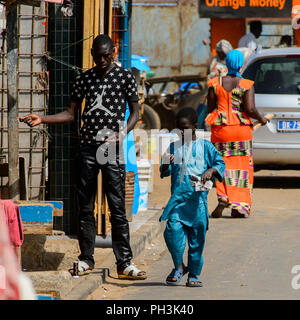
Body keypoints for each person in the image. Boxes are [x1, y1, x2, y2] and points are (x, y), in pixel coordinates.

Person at [19, 34, 146, 280]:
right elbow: (70, 114)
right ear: (91, 54)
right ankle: (86, 258)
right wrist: (42, 119)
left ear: (115, 52)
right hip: (88, 148)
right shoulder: (84, 79)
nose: (101, 60)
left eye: (106, 55)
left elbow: (136, 113)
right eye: (97, 56)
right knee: (84, 207)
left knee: (117, 207)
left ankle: (124, 263)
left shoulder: (125, 77)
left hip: (111, 148)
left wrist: (121, 134)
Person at [160, 107, 225, 287]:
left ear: (195, 126)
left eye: (185, 128)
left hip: (197, 204)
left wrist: (210, 170)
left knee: (197, 243)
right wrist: (165, 164)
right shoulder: (173, 146)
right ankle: (179, 266)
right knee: (171, 232)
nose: (181, 132)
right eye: (178, 129)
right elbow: (164, 171)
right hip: (177, 203)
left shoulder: (206, 147)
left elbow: (219, 163)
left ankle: (194, 275)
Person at [206, 50, 269, 219]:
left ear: (226, 63)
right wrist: (261, 118)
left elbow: (210, 108)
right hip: (241, 131)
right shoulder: (247, 84)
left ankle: (223, 196)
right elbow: (249, 109)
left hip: (220, 131)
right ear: (241, 64)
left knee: (220, 164)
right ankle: (237, 206)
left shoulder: (214, 83)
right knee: (241, 169)